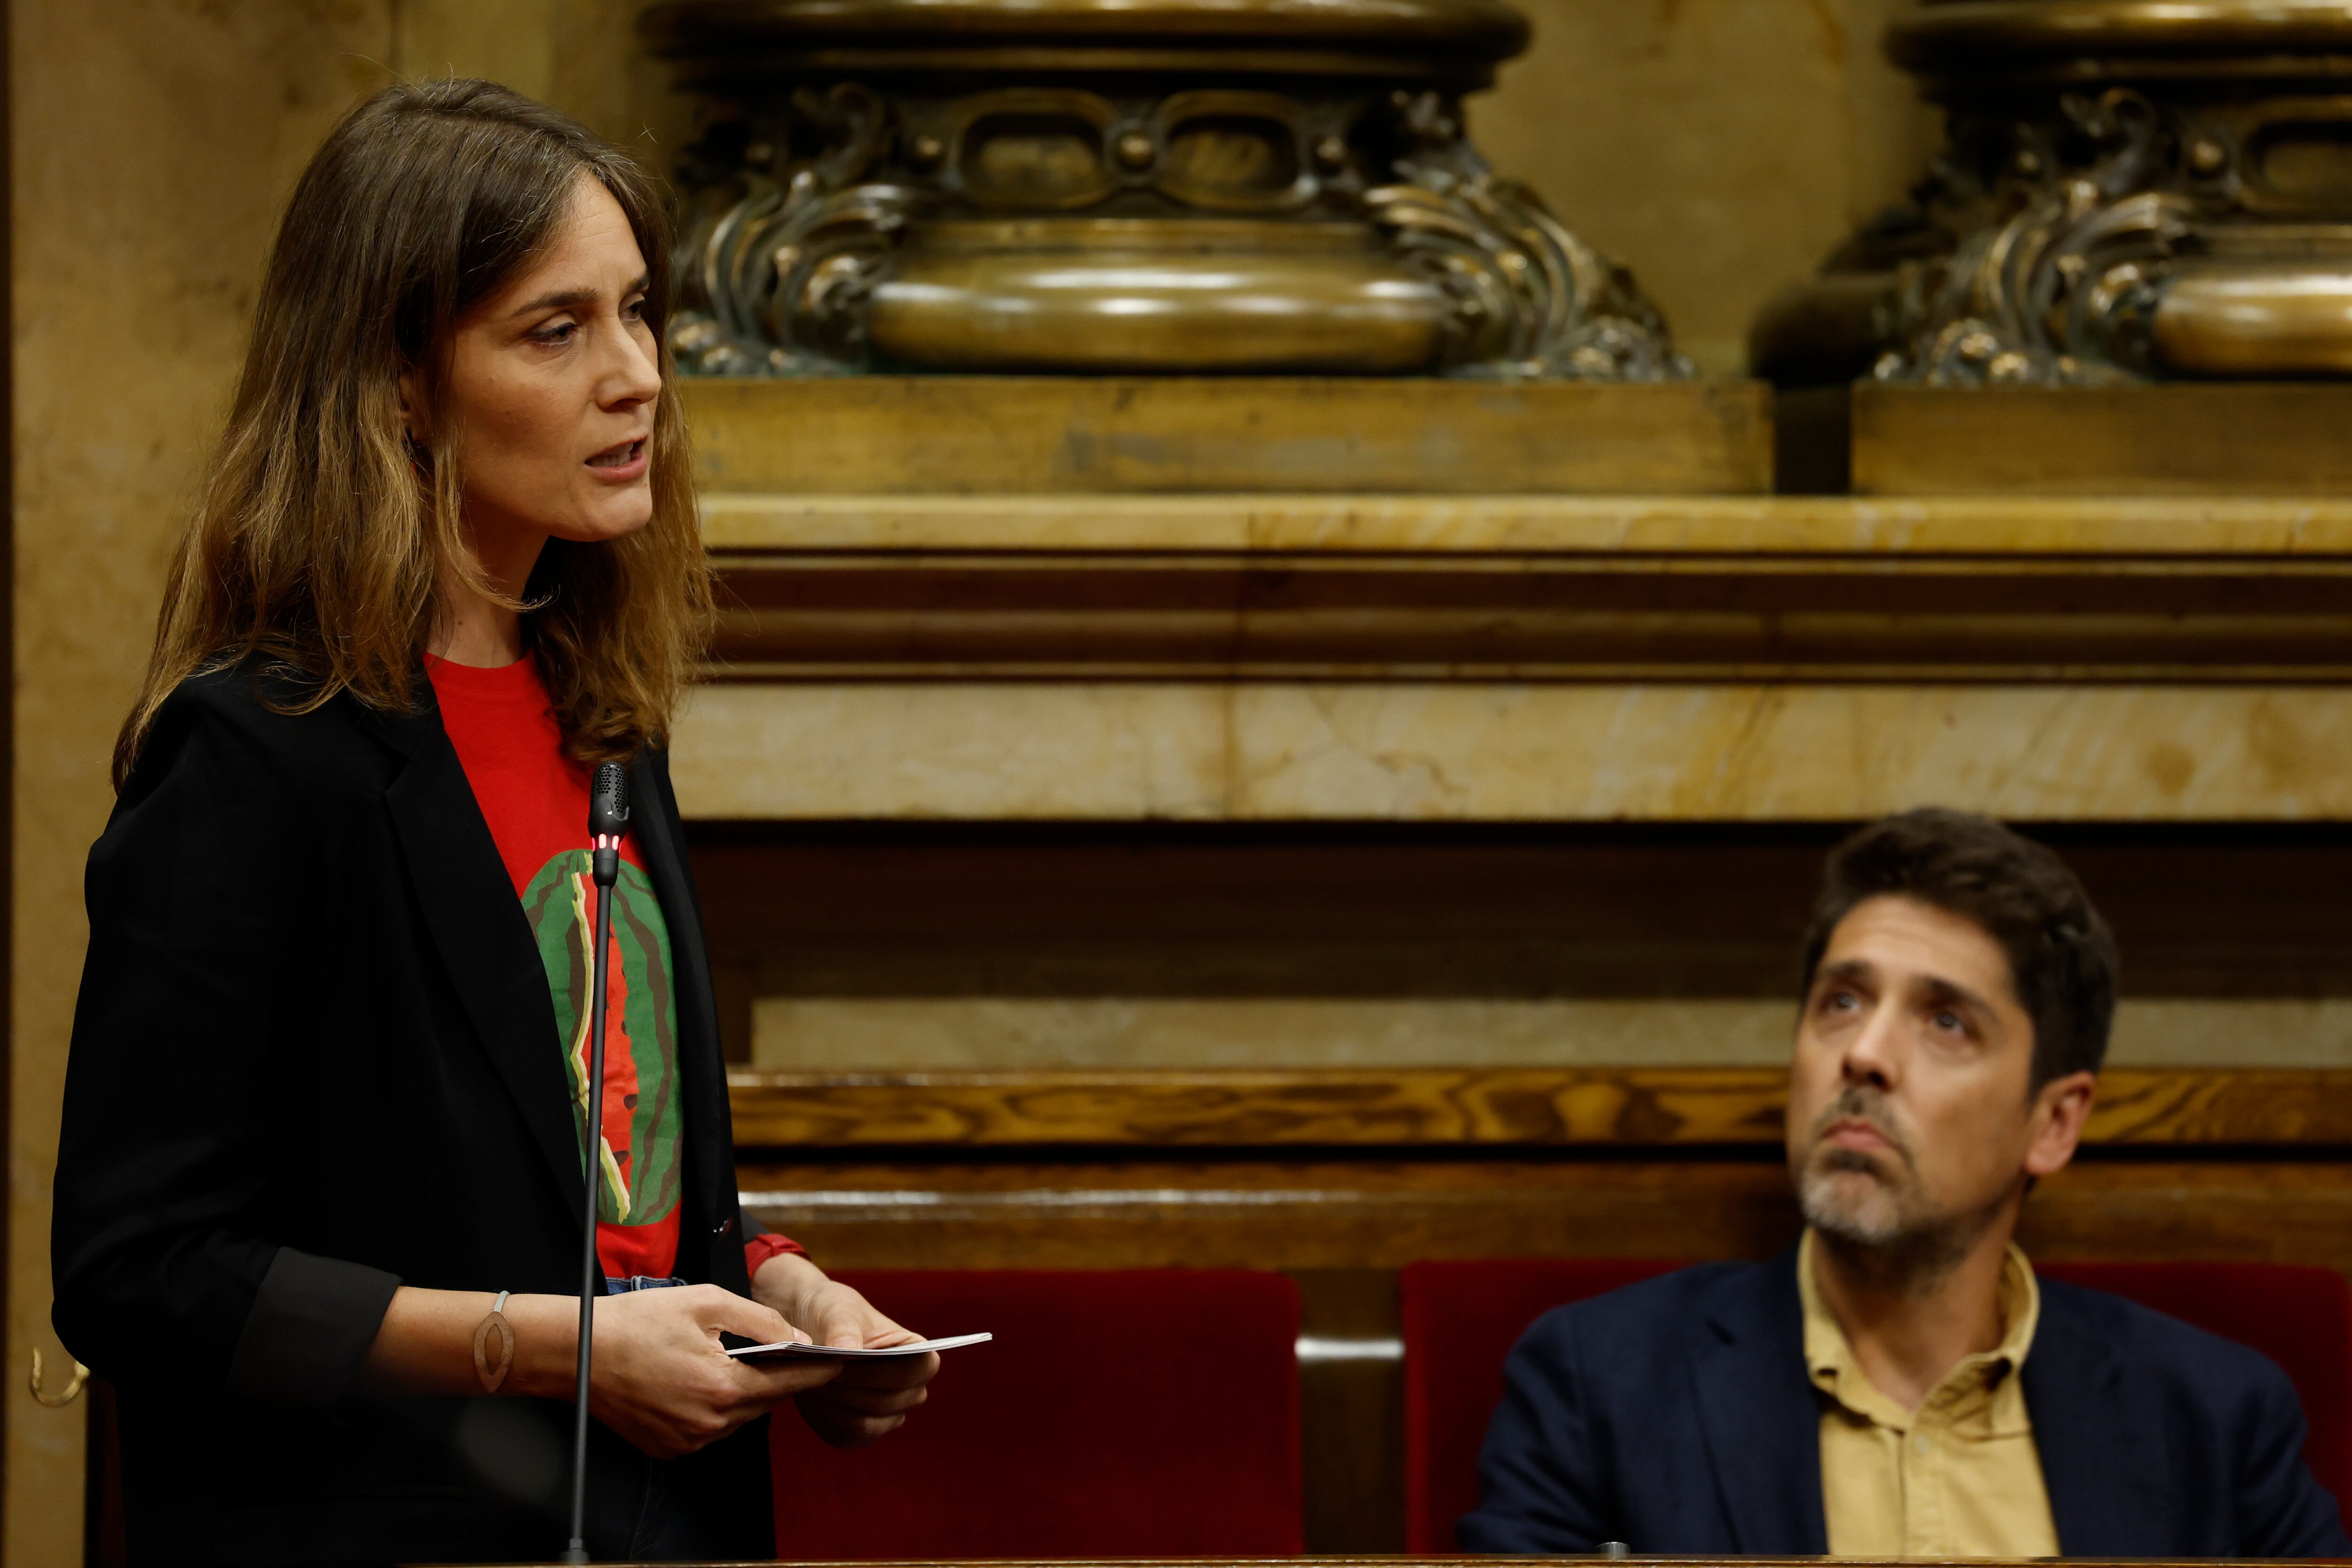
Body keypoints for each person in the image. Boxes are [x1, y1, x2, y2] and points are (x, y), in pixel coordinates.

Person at [49, 80, 938, 1565]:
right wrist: (553, 1350)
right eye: (556, 328)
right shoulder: (258, 753)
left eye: (642, 313)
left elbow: (576, 1162)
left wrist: (778, 1294)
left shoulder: (600, 712)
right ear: (397, 375)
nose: (638, 374)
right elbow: (144, 1271)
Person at [1460, 808, 2352, 1558]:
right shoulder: (1600, 1384)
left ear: (2054, 1123)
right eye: (1842, 1000)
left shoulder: (2216, 1421)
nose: (1865, 1053)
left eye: (1947, 1021)